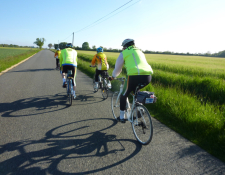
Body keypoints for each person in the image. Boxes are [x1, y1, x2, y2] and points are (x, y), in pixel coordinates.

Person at [109, 39, 153, 123]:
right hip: (147, 76)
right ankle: (139, 108)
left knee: (124, 94)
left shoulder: (124, 53)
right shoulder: (140, 51)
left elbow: (118, 68)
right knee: (136, 91)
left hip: (133, 76)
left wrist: (113, 76)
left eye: (123, 47)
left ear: (125, 46)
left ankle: (122, 117)